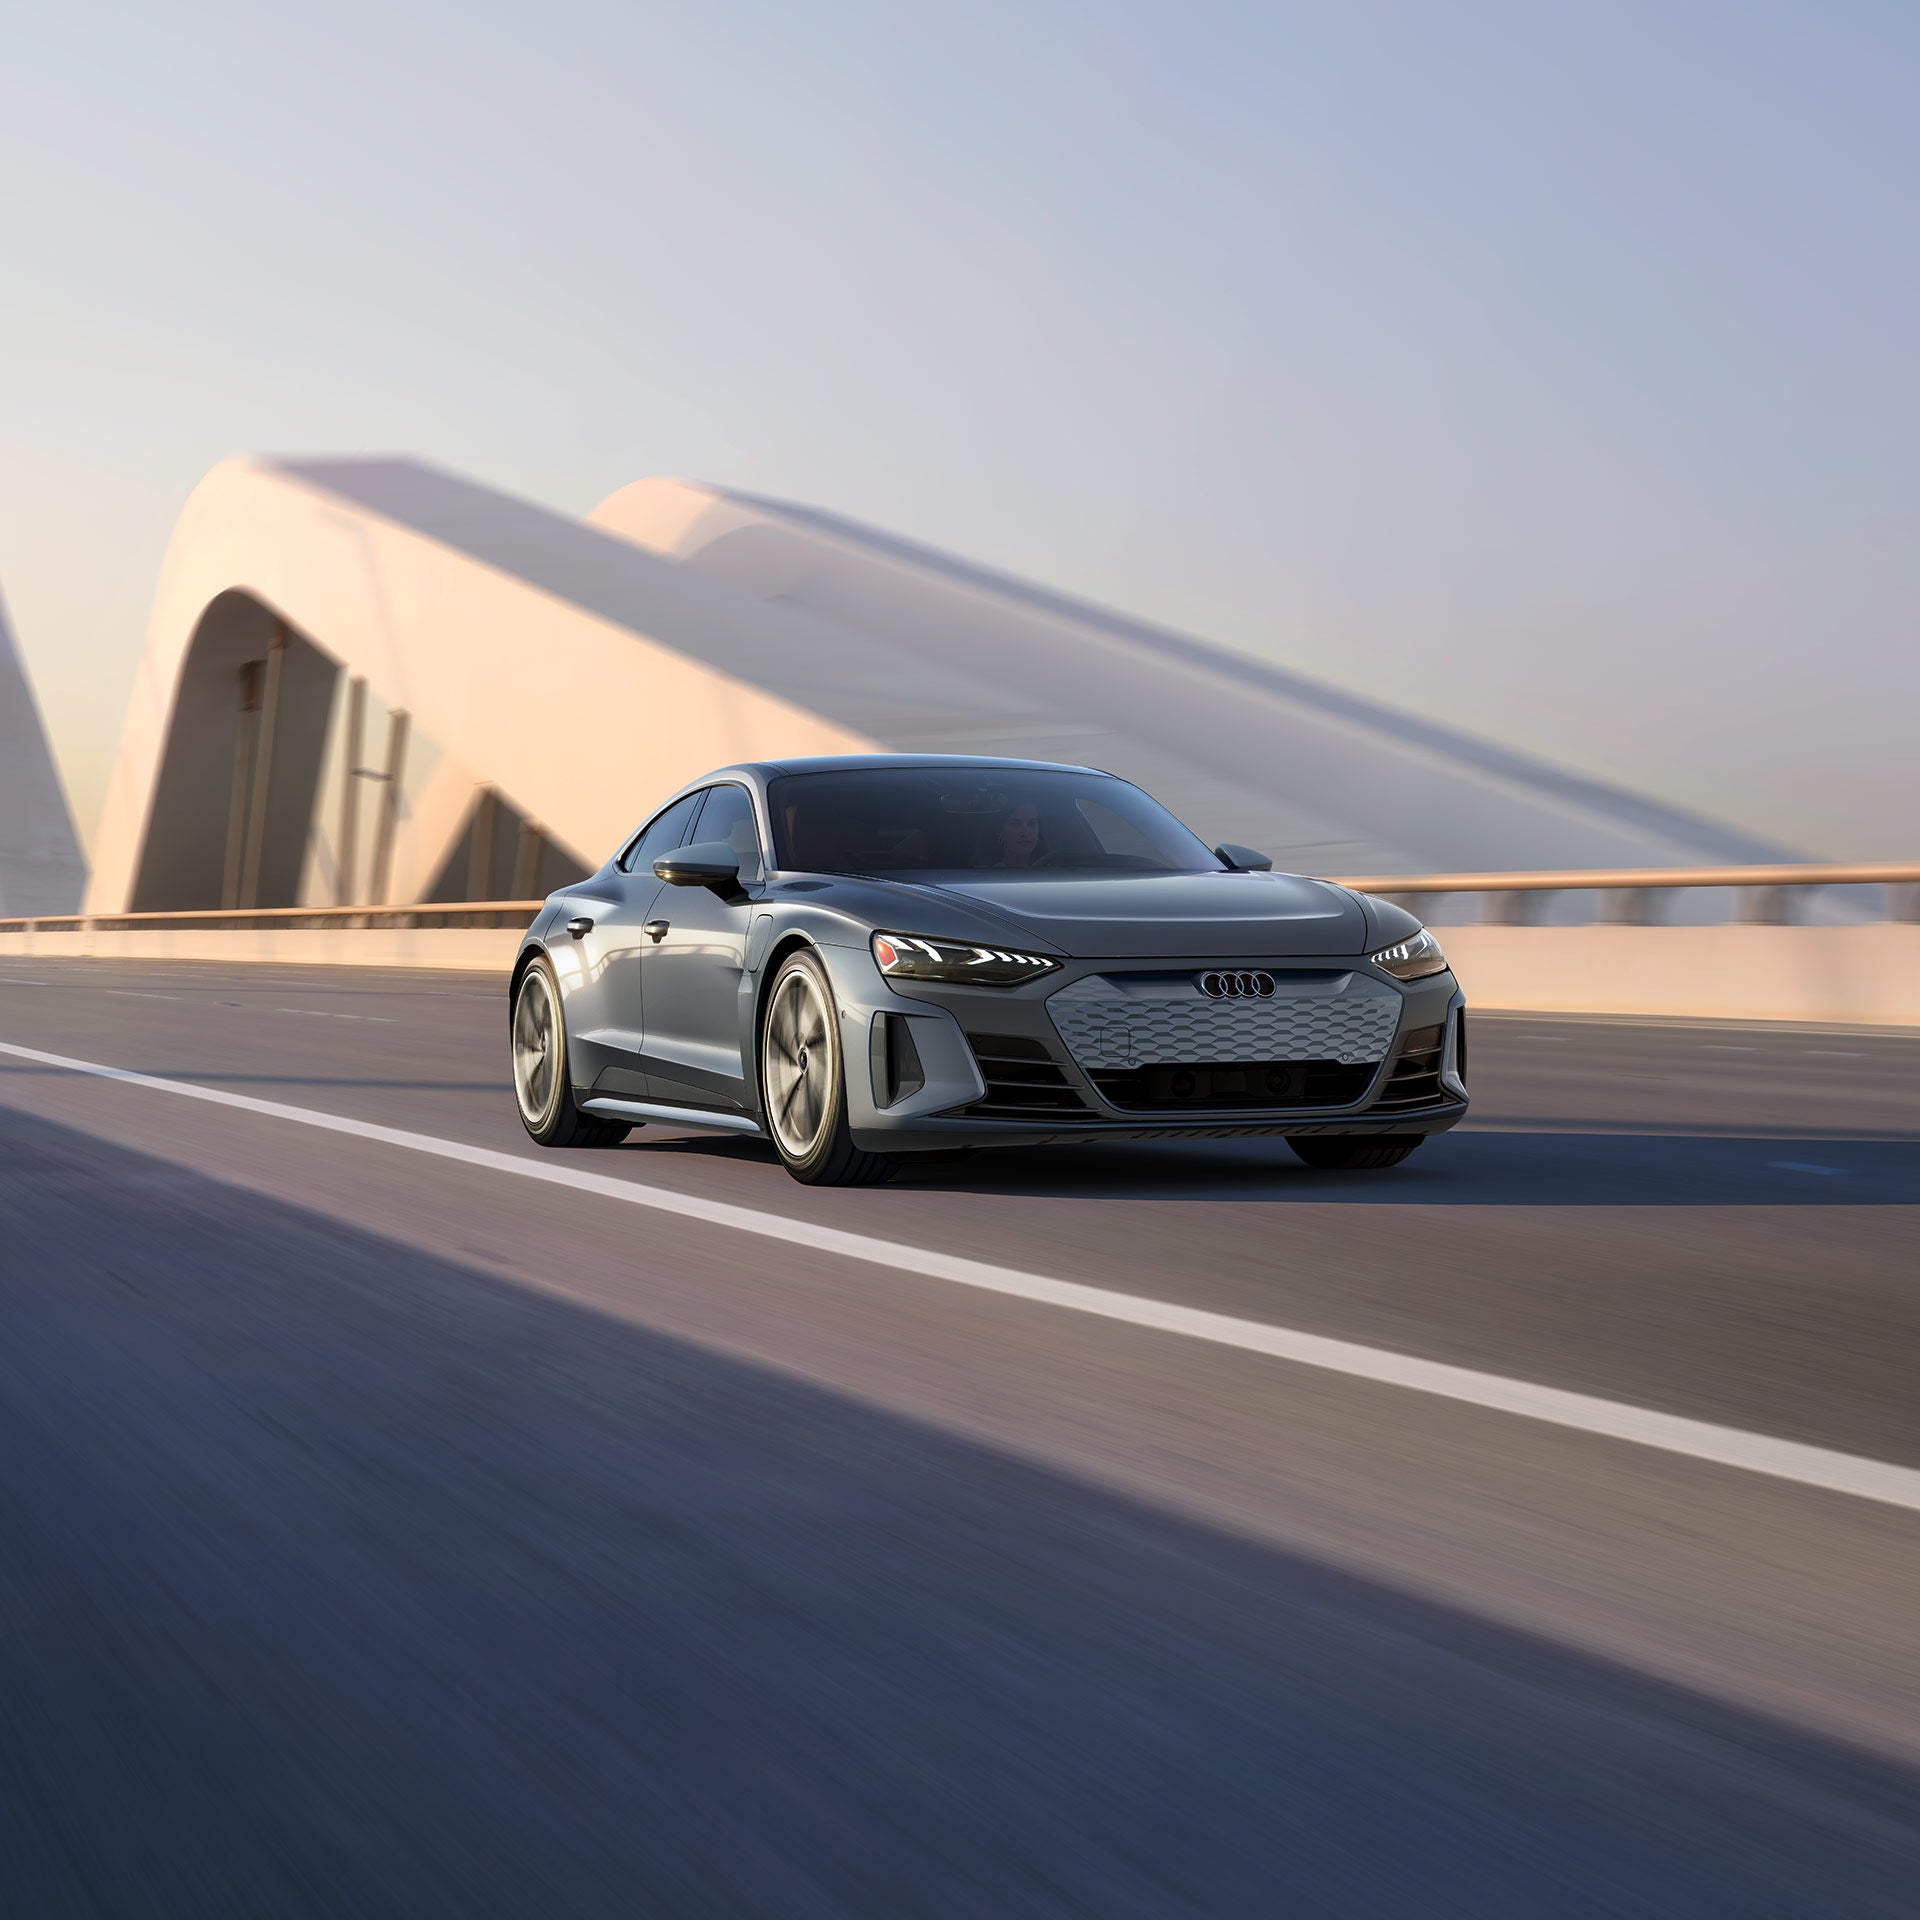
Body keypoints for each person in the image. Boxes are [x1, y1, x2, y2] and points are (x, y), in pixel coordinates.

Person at [990, 796, 1042, 867]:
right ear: (1000, 832)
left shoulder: (1053, 871)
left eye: (1032, 823)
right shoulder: (988, 875)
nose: (1025, 833)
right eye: (1015, 824)